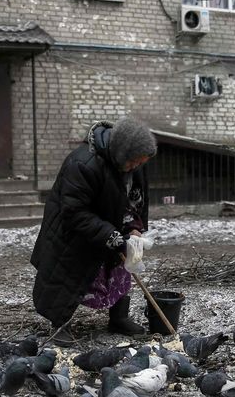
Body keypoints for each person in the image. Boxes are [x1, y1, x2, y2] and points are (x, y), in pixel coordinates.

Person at [30, 117, 157, 346]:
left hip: (110, 224)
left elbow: (136, 199)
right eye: (133, 163)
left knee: (122, 266)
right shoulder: (82, 164)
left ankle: (119, 318)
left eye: (140, 163)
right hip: (72, 232)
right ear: (122, 153)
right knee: (70, 274)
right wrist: (111, 235)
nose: (136, 167)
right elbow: (75, 212)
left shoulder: (132, 163)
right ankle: (58, 324)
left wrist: (135, 228)